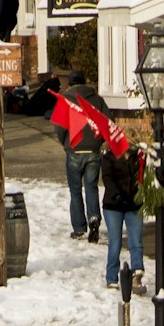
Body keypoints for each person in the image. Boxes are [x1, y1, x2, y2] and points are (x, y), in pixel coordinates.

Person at [54, 69, 106, 241]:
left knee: (75, 190)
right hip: (93, 151)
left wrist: (65, 143)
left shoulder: (65, 101)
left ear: (70, 85)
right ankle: (94, 217)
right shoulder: (97, 100)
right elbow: (107, 122)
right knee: (91, 187)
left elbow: (59, 128)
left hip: (74, 150)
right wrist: (98, 142)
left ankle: (79, 228)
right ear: (85, 83)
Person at [101, 133, 146, 287]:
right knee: (115, 241)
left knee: (136, 241)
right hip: (114, 205)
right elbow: (108, 179)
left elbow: (143, 176)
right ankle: (112, 277)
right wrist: (118, 195)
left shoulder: (138, 158)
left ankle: (136, 273)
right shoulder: (108, 158)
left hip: (133, 204)